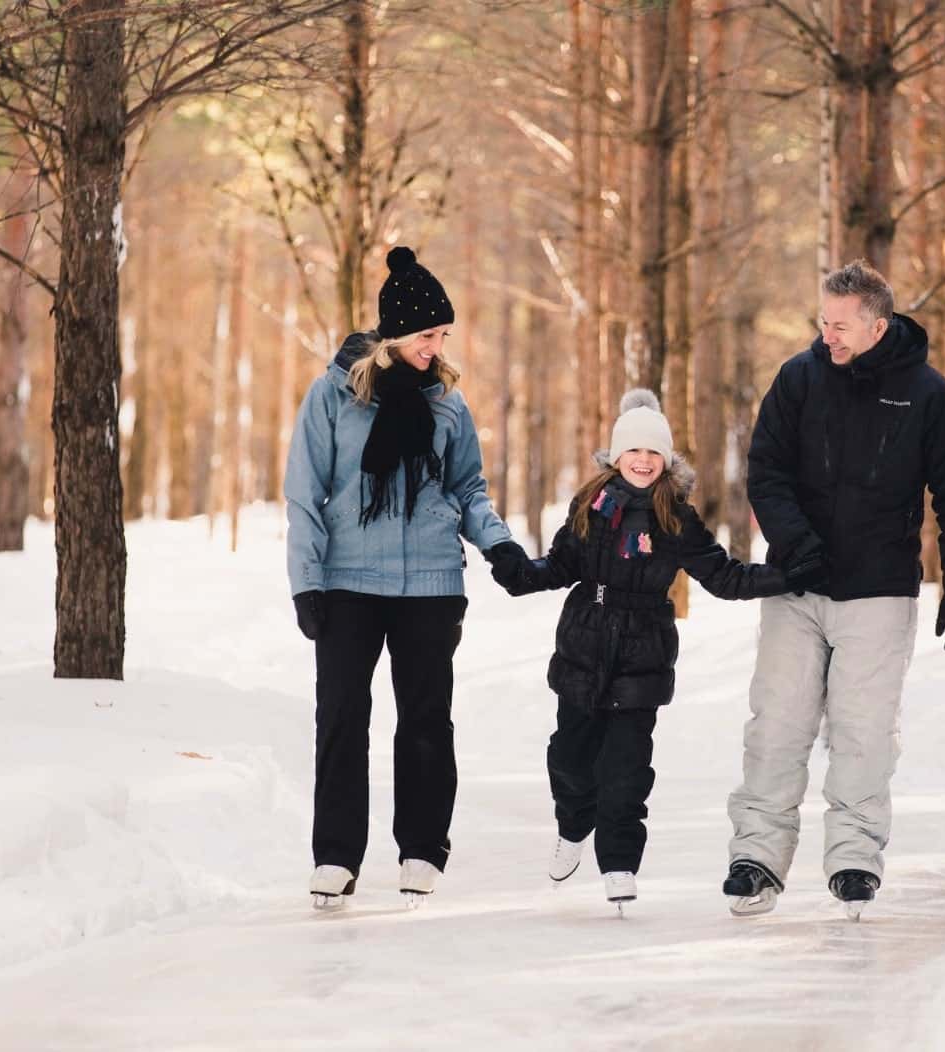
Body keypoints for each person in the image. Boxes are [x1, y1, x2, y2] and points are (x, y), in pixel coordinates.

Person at [723, 259, 945, 920]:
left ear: (877, 324)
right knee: (777, 723)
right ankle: (756, 856)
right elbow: (765, 470)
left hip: (878, 590)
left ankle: (854, 860)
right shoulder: (799, 379)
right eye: (823, 322)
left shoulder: (927, 393)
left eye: (840, 325)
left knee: (863, 731)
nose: (827, 335)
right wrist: (797, 545)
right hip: (797, 587)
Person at [284, 246, 529, 910]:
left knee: (425, 720)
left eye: (443, 335)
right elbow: (304, 493)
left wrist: (500, 548)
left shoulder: (446, 401)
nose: (437, 346)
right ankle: (336, 857)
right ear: (394, 334)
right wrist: (306, 582)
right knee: (341, 717)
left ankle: (422, 849)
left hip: (430, 582)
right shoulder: (333, 394)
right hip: (348, 581)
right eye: (428, 335)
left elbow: (470, 490)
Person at [501, 390, 797, 912]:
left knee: (627, 770)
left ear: (665, 461)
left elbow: (724, 576)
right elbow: (561, 564)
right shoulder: (590, 507)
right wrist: (522, 575)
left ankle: (619, 863)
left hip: (642, 655)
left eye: (653, 453)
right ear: (617, 458)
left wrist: (786, 577)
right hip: (583, 649)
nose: (643, 461)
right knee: (568, 759)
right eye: (633, 452)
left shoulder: (676, 518)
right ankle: (573, 825)